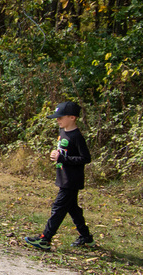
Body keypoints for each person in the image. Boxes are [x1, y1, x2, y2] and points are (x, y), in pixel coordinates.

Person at [24, 101, 94, 251]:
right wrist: (56, 155)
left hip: (71, 180)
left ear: (72, 117)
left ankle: (45, 239)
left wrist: (63, 159)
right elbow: (64, 152)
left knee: (58, 207)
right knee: (72, 209)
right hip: (63, 177)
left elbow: (86, 158)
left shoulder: (77, 136)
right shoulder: (63, 131)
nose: (57, 120)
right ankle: (86, 238)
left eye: (61, 117)